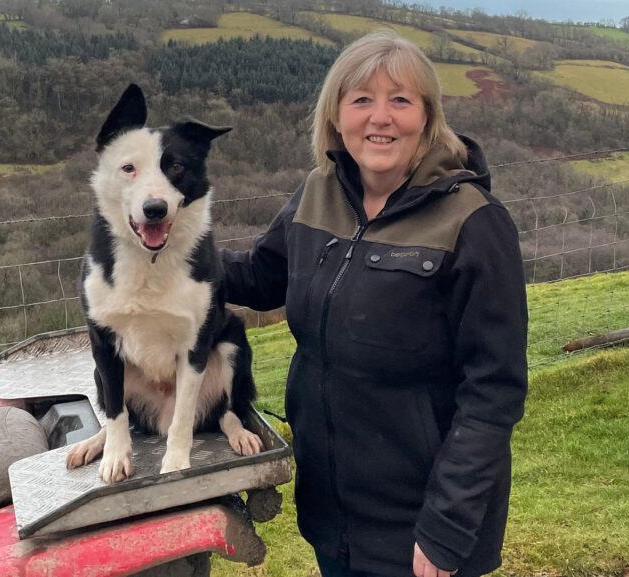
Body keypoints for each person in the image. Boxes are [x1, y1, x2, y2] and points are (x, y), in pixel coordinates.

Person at [221, 29, 528, 577]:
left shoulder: (472, 222)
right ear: (337, 116)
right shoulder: (318, 192)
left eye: (400, 100)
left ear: (428, 117)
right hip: (332, 510)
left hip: (420, 527)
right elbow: (265, 277)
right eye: (362, 99)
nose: (380, 117)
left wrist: (446, 529)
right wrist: (170, 264)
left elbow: (494, 391)